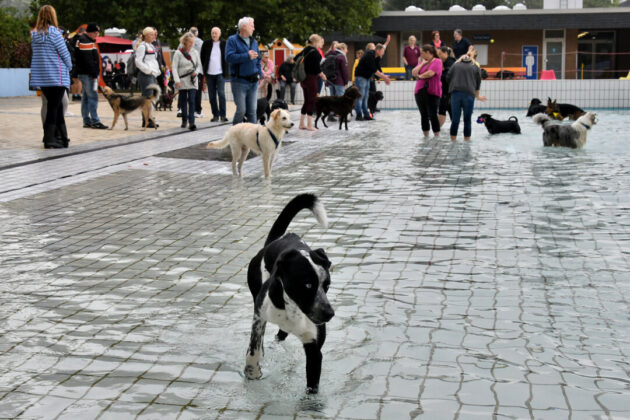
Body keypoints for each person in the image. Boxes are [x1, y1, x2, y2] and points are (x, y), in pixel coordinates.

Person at [30, 5, 72, 149]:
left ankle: (62, 137)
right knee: (54, 107)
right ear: (53, 16)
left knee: (57, 106)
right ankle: (50, 139)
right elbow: (64, 53)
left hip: (42, 76)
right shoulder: (55, 33)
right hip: (57, 75)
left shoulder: (35, 35)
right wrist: (70, 66)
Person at [225, 17, 261, 124]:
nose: (254, 28)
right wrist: (246, 56)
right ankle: (234, 136)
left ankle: (253, 137)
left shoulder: (254, 41)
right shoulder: (232, 40)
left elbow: (258, 58)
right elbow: (229, 57)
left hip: (253, 81)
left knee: (252, 112)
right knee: (241, 111)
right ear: (244, 27)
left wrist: (259, 73)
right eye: (252, 25)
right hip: (239, 82)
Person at [447, 53, 487, 141]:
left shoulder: (455, 65)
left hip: (455, 94)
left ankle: (453, 141)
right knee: (467, 120)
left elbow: (448, 77)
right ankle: (467, 140)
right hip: (469, 95)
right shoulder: (475, 66)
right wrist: (478, 96)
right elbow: (478, 84)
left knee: (455, 120)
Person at [75, 22, 107, 129]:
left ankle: (87, 120)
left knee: (86, 97)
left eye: (97, 32)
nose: (97, 34)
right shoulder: (85, 41)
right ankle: (95, 121)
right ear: (89, 32)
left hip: (84, 73)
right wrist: (94, 74)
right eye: (95, 32)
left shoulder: (86, 40)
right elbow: (88, 60)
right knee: (93, 96)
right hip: (88, 74)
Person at [296, 34, 326, 131]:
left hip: (303, 79)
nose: (322, 44)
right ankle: (309, 125)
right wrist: (322, 74)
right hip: (312, 79)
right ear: (316, 42)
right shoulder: (316, 53)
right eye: (321, 42)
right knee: (312, 100)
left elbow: (295, 59)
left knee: (306, 100)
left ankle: (301, 123)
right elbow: (316, 69)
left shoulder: (305, 50)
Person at [173, 32, 202, 130]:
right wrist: (177, 80)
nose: (191, 44)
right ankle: (184, 120)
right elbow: (174, 68)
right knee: (183, 101)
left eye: (192, 42)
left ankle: (192, 122)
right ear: (185, 42)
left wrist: (196, 73)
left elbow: (198, 65)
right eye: (190, 42)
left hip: (193, 80)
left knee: (192, 101)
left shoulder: (195, 52)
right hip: (182, 80)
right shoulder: (178, 53)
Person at [354, 43, 390, 121]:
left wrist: (383, 77)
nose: (383, 53)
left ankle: (366, 114)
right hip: (360, 77)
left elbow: (378, 67)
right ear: (377, 50)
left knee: (366, 96)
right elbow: (374, 69)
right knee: (360, 96)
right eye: (382, 52)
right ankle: (359, 115)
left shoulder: (377, 57)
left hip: (367, 77)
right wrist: (384, 77)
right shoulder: (369, 55)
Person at [413, 45, 442, 137]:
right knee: (423, 115)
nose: (420, 54)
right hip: (419, 91)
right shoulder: (422, 62)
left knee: (433, 114)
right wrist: (422, 64)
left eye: (422, 52)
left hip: (433, 92)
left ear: (428, 52)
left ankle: (436, 135)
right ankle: (426, 136)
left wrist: (420, 76)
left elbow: (431, 73)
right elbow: (414, 72)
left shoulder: (437, 61)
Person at [135, 26, 161, 128]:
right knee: (147, 98)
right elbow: (138, 62)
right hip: (146, 75)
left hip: (152, 74)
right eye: (151, 34)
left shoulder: (151, 46)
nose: (153, 36)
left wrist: (156, 71)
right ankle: (147, 120)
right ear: (146, 36)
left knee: (150, 98)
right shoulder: (142, 46)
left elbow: (153, 61)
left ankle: (148, 119)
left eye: (153, 34)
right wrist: (148, 70)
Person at [201, 26, 228, 122]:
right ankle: (215, 115)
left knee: (221, 94)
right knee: (212, 96)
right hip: (209, 73)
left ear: (219, 34)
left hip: (220, 73)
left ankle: (223, 115)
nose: (214, 35)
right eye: (212, 33)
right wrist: (204, 69)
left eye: (216, 33)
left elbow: (227, 57)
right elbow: (202, 56)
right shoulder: (206, 43)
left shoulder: (224, 43)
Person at [437, 46, 455, 128]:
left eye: (440, 54)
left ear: (445, 53)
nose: (439, 55)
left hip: (449, 92)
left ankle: (436, 131)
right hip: (446, 92)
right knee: (446, 111)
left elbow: (446, 77)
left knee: (443, 111)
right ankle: (437, 130)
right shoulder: (446, 62)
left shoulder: (450, 62)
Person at [189, 27, 204, 118]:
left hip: (187, 70)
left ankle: (189, 109)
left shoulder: (184, 41)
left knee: (189, 90)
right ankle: (197, 110)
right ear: (197, 34)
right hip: (199, 70)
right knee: (198, 91)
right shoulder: (201, 42)